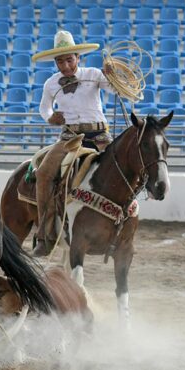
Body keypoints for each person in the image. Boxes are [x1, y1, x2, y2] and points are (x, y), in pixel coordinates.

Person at [31, 30, 116, 257]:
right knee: (43, 174)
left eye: (69, 60)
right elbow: (44, 107)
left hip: (99, 135)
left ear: (78, 58)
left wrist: (112, 76)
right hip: (70, 137)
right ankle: (45, 235)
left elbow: (115, 90)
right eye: (60, 61)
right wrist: (50, 117)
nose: (66, 66)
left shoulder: (94, 74)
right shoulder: (51, 84)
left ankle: (121, 228)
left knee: (120, 170)